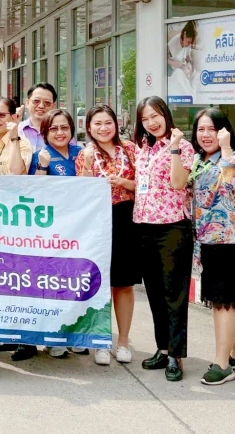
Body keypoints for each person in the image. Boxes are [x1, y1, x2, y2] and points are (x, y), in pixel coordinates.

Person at [0, 108, 84, 363]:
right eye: (53, 128)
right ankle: (30, 339)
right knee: (39, 285)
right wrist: (42, 166)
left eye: (64, 127)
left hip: (74, 231)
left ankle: (59, 339)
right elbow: (32, 191)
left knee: (65, 285)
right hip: (44, 233)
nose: (59, 133)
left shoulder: (81, 154)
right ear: (44, 133)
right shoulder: (39, 156)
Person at [188, 108, 235, 386]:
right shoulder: (198, 161)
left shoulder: (234, 158)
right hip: (207, 240)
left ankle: (222, 364)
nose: (206, 135)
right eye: (201, 129)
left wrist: (226, 149)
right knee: (229, 301)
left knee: (223, 302)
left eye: (212, 129)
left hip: (229, 240)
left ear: (224, 131)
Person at [133, 96, 194, 382]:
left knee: (174, 294)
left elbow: (178, 183)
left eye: (155, 115)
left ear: (165, 115)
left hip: (172, 227)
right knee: (155, 293)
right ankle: (163, 347)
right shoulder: (143, 148)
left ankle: (176, 355)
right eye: (145, 118)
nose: (151, 122)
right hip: (144, 226)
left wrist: (174, 148)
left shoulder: (182, 146)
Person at [76, 105, 139, 368]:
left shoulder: (131, 150)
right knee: (100, 283)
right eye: (97, 124)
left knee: (123, 283)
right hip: (98, 221)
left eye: (108, 122)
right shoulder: (85, 153)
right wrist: (88, 164)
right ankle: (100, 341)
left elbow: (145, 186)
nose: (103, 128)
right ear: (89, 127)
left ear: (116, 123)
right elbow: (81, 191)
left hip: (126, 218)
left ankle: (123, 342)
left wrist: (124, 183)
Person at [0, 96, 33, 176]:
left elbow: (16, 173)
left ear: (13, 117)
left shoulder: (23, 143)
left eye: (1, 115)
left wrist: (14, 138)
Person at [18, 83, 57, 152]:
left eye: (47, 103)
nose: (41, 106)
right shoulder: (17, 130)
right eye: (36, 101)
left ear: (53, 106)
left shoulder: (62, 132)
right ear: (27, 103)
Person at [167, 21, 198, 100]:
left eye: (190, 43)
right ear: (184, 34)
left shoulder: (187, 44)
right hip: (175, 71)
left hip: (184, 70)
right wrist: (180, 66)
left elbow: (187, 56)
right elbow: (164, 59)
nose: (188, 45)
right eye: (188, 42)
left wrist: (190, 66)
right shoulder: (172, 45)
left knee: (196, 76)